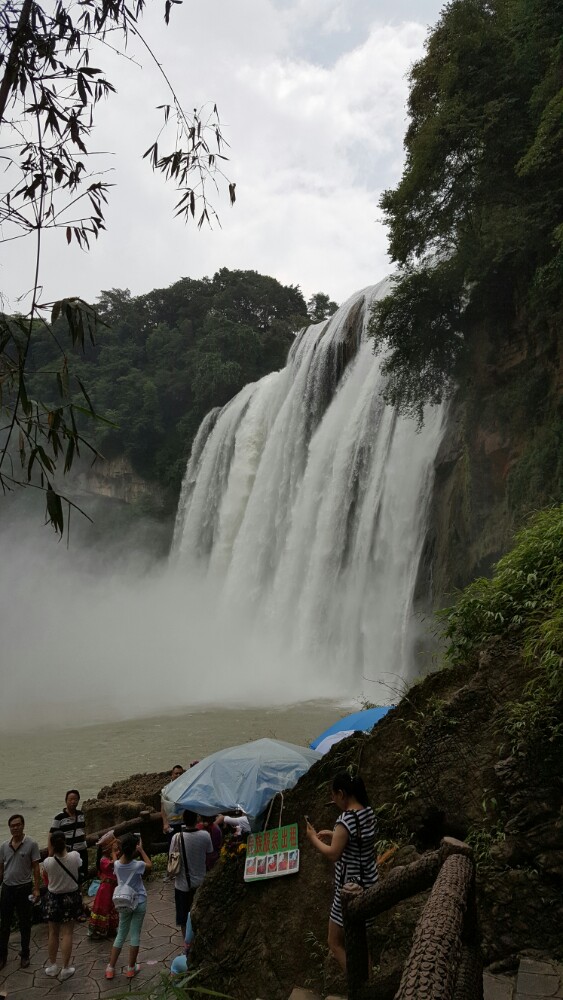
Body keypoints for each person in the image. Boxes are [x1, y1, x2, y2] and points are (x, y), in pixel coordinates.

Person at [305, 771, 378, 971]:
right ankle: (370, 981)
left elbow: (333, 854)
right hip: (370, 883)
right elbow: (359, 841)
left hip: (349, 890)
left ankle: (359, 983)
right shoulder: (367, 812)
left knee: (334, 942)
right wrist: (334, 834)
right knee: (362, 941)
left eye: (334, 795)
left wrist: (312, 838)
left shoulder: (345, 819)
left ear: (342, 793)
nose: (333, 800)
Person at [105, 834, 152, 981]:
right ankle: (131, 968)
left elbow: (115, 860)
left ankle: (110, 968)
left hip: (124, 903)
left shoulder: (118, 865)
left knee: (121, 934)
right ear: (134, 850)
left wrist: (113, 850)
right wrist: (142, 851)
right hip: (139, 901)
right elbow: (150, 865)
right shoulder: (138, 865)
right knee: (135, 935)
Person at [0, 814, 40, 971]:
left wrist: (36, 888)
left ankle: (25, 954)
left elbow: (36, 867)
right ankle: (2, 955)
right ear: (9, 828)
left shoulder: (31, 844)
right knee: (5, 924)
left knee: (25, 923)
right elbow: (1, 869)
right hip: (7, 888)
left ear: (23, 825)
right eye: (12, 826)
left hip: (24, 888)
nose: (15, 828)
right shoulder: (4, 846)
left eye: (18, 825)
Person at [42, 829, 83, 980]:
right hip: (71, 898)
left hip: (53, 898)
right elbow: (78, 866)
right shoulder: (74, 856)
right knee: (67, 933)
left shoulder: (48, 862)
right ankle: (66, 968)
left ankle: (53, 966)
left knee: (53, 933)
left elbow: (46, 867)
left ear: (51, 846)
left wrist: (50, 848)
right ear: (65, 842)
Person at [171, 810, 212, 937]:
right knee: (200, 916)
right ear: (197, 819)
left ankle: (186, 945)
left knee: (183, 919)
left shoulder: (176, 837)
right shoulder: (205, 835)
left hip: (182, 885)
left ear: (183, 820)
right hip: (200, 883)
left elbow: (172, 857)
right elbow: (209, 852)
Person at [50, 790, 88, 883]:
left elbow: (83, 829)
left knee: (81, 877)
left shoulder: (81, 814)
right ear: (66, 800)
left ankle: (78, 895)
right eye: (70, 799)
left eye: (75, 799)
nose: (73, 802)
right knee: (69, 877)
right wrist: (50, 853)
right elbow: (51, 834)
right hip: (68, 853)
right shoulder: (59, 817)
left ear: (78, 800)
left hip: (82, 851)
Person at [88, 830, 119, 939]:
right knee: (104, 908)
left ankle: (110, 928)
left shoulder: (109, 857)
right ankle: (99, 930)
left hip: (111, 888)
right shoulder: (104, 860)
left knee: (111, 907)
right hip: (106, 889)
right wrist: (115, 852)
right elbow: (115, 864)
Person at [161, 765, 185, 842]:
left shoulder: (187, 788)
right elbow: (163, 808)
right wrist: (165, 823)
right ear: (172, 774)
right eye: (176, 773)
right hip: (172, 824)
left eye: (180, 773)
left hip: (185, 823)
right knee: (173, 848)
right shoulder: (166, 790)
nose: (178, 775)